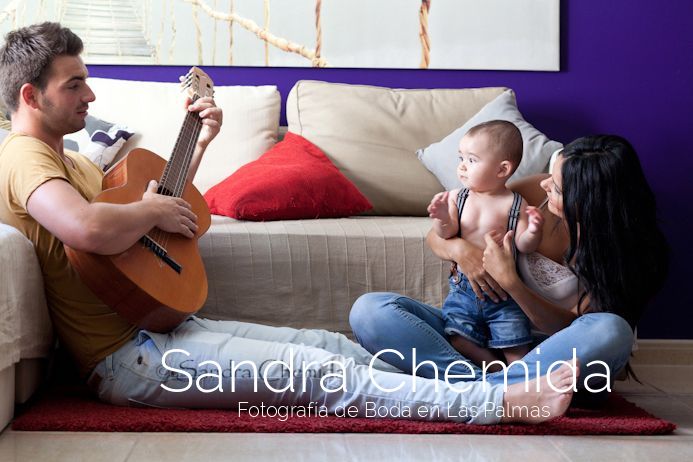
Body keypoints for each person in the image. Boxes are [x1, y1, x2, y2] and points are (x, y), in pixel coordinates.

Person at [0, 22, 577, 426]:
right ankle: (499, 406)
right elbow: (90, 230)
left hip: (160, 329)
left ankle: (499, 385)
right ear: (30, 95)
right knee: (314, 372)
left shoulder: (73, 159)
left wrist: (196, 146)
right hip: (129, 363)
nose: (90, 93)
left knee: (331, 344)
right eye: (73, 84)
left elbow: (148, 226)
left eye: (85, 79)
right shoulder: (24, 156)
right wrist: (148, 208)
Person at [351, 134, 669, 403]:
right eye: (551, 175)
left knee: (613, 330)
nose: (545, 184)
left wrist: (511, 283)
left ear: (587, 201)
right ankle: (496, 391)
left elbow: (572, 329)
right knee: (370, 311)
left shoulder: (628, 253)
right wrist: (461, 251)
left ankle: (472, 391)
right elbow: (437, 236)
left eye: (557, 187)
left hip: (557, 358)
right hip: (483, 345)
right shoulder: (532, 195)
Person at [428, 120, 543, 371]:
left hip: (504, 294)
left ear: (502, 170)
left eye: (472, 160)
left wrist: (533, 230)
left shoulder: (514, 203)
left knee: (515, 345)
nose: (461, 166)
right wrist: (441, 218)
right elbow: (447, 234)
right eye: (461, 157)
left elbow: (524, 246)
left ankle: (520, 376)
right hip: (463, 291)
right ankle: (494, 371)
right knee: (458, 337)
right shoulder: (459, 197)